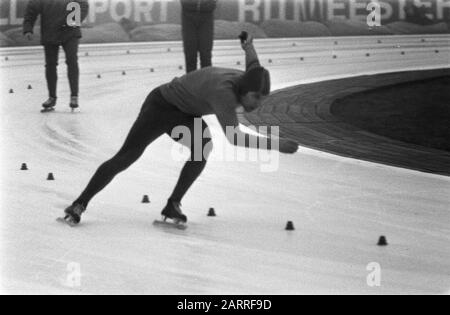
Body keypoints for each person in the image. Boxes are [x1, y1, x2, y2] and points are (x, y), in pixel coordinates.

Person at [62, 34, 299, 226]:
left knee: (203, 147)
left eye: (262, 99)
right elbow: (234, 137)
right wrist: (277, 144)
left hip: (185, 112)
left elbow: (253, 63)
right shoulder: (224, 94)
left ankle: (173, 204)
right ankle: (79, 203)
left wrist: (248, 45)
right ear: (244, 90)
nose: (257, 104)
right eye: (255, 97)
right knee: (126, 157)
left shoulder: (249, 77)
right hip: (161, 106)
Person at [23, 0, 89, 112]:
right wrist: (28, 29)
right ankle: (52, 97)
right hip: (50, 31)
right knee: (50, 65)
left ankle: (74, 96)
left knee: (72, 61)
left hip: (70, 32)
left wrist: (73, 20)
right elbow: (31, 10)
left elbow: (83, 5)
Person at [181, 0, 217, 73]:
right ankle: (190, 81)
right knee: (190, 53)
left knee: (206, 54)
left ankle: (207, 81)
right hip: (188, 15)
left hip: (207, 14)